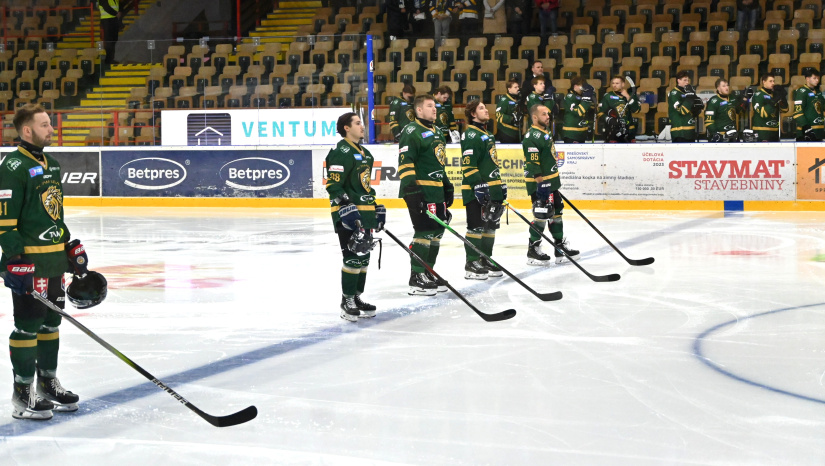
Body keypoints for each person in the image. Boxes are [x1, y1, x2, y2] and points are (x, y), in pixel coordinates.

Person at [1, 104, 85, 420]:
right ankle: (22, 393)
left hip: (53, 263)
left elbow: (54, 214)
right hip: (30, 264)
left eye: (50, 123)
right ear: (27, 130)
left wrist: (68, 247)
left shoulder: (52, 164)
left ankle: (47, 383)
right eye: (45, 124)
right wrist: (14, 260)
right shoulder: (12, 166)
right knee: (28, 326)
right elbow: (4, 221)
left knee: (51, 323)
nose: (51, 129)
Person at [325, 113, 384, 322]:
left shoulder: (366, 153)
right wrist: (345, 205)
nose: (362, 126)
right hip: (347, 214)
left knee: (364, 257)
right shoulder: (340, 151)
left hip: (365, 212)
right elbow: (333, 185)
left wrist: (375, 206)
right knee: (352, 256)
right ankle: (347, 300)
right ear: (346, 128)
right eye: (358, 123)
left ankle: (356, 297)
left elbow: (364, 186)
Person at [398, 95, 453, 295]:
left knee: (436, 233)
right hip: (420, 190)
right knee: (424, 232)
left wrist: (447, 185)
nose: (435, 109)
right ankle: (417, 276)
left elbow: (439, 163)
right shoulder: (411, 131)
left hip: (436, 190)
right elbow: (405, 163)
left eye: (435, 106)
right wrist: (412, 191)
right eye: (429, 106)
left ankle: (428, 271)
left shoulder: (438, 132)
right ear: (419, 110)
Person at [522, 104, 579, 265]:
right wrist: (541, 187)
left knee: (556, 213)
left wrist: (552, 186)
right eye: (544, 114)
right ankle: (533, 250)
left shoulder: (545, 132)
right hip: (541, 184)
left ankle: (559, 248)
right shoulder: (531, 137)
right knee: (541, 215)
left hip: (551, 183)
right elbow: (533, 165)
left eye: (548, 114)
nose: (548, 116)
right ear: (534, 117)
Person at [460, 100, 505, 279]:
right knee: (476, 227)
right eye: (481, 108)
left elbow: (490, 163)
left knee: (490, 226)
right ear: (473, 114)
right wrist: (479, 185)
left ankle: (485, 258)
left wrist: (498, 184)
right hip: (476, 189)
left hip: (491, 188)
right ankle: (471, 262)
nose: (486, 110)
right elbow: (468, 165)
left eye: (485, 107)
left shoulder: (488, 134)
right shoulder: (470, 134)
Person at [598, 75, 642, 143]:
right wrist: (609, 119)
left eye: (617, 83)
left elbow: (636, 110)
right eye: (613, 83)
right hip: (613, 131)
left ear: (623, 84)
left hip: (629, 131)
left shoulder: (631, 95)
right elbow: (600, 113)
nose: (614, 85)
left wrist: (627, 96)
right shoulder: (608, 96)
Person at [751, 73, 788, 142]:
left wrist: (783, 97)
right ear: (764, 82)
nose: (773, 83)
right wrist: (774, 100)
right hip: (762, 132)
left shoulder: (775, 94)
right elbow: (763, 113)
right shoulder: (758, 95)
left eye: (773, 81)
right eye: (770, 81)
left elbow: (785, 109)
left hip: (775, 132)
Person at [667, 71, 700, 143]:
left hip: (691, 132)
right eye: (684, 80)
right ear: (678, 80)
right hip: (680, 132)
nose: (687, 82)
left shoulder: (688, 93)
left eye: (688, 80)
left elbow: (694, 111)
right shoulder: (674, 93)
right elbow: (682, 111)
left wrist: (697, 107)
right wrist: (690, 98)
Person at [561, 75, 596, 143]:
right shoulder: (569, 97)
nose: (583, 88)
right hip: (571, 133)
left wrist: (592, 96)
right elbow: (579, 112)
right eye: (581, 85)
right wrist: (586, 98)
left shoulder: (583, 96)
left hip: (582, 133)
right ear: (575, 86)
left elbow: (593, 108)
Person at [793, 68, 825, 142]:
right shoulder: (801, 92)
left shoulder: (818, 92)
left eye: (818, 78)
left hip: (819, 132)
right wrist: (807, 128)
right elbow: (797, 113)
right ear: (807, 79)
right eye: (814, 78)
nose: (817, 80)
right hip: (805, 134)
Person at [495, 79, 522, 143]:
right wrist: (512, 119)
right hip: (506, 133)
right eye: (515, 87)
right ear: (509, 89)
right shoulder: (504, 100)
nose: (518, 89)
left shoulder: (518, 99)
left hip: (517, 133)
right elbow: (498, 115)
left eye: (518, 87)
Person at [98, 0, 123, 66]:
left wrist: (119, 13)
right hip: (106, 20)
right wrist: (116, 13)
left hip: (114, 19)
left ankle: (111, 58)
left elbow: (119, 5)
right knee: (109, 40)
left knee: (114, 39)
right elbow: (106, 7)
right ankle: (108, 60)